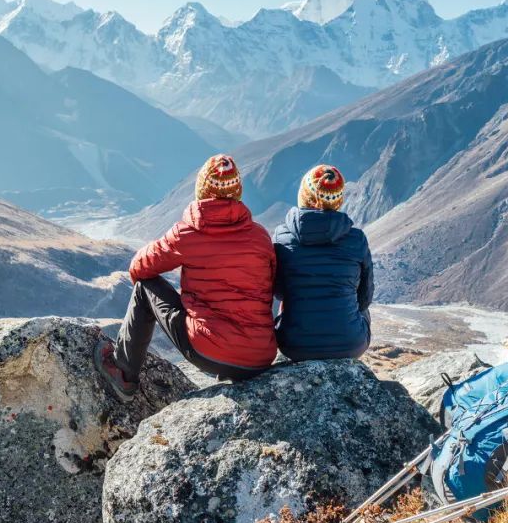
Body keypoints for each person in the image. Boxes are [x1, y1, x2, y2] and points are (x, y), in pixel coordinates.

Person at [95, 154, 277, 400]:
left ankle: (123, 373)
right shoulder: (260, 236)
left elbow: (140, 268)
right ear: (238, 191)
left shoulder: (187, 234)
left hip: (210, 352)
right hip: (261, 356)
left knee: (145, 288)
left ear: (201, 189)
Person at [272, 165, 372, 361]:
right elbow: (365, 298)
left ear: (305, 194)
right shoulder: (356, 239)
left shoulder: (282, 237)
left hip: (294, 345)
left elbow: (279, 292)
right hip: (351, 345)